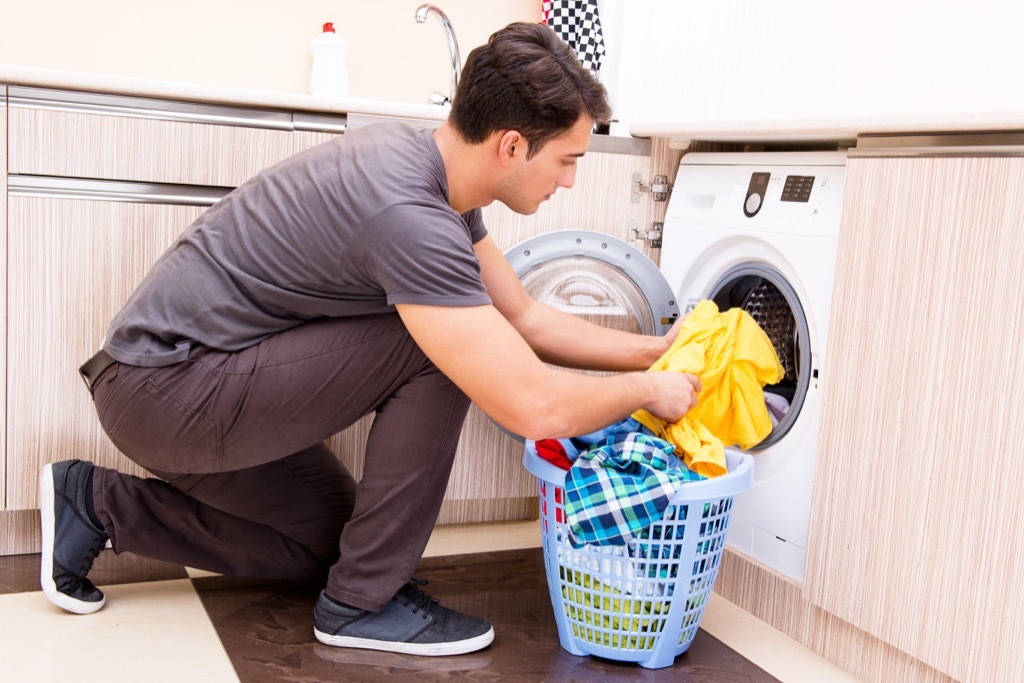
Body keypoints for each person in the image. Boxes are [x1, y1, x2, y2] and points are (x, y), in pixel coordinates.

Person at [39, 21, 701, 657]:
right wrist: (649, 392)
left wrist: (658, 352)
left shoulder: (432, 174)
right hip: (167, 390)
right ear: (510, 145)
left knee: (336, 548)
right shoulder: (412, 218)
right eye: (567, 160)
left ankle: (95, 503)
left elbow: (524, 316)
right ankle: (360, 608)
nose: (569, 180)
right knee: (436, 347)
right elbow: (530, 404)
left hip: (174, 386)